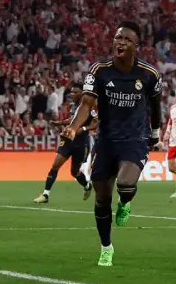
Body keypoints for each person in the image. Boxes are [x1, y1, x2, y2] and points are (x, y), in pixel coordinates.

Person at [62, 21, 163, 267]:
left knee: (126, 185)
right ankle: (106, 247)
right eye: (118, 38)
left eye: (127, 39)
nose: (121, 42)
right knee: (102, 199)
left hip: (135, 139)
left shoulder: (149, 74)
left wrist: (155, 133)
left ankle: (125, 202)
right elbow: (86, 104)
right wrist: (73, 127)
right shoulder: (99, 71)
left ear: (136, 46)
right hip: (106, 141)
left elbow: (156, 106)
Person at [34, 82, 98, 203]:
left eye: (75, 92)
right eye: (71, 92)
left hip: (81, 143)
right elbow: (72, 120)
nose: (72, 94)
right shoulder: (73, 105)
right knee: (55, 165)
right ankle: (45, 195)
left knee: (74, 172)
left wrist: (84, 129)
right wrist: (60, 123)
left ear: (82, 94)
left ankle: (87, 186)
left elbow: (97, 123)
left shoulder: (90, 107)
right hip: (68, 140)